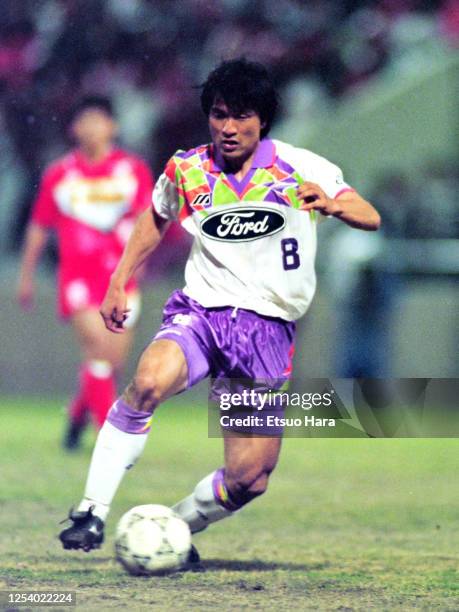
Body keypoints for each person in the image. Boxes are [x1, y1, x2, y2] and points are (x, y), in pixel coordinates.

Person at [59, 60, 380, 557]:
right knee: (146, 381)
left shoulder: (301, 166)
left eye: (241, 116)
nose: (228, 128)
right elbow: (155, 217)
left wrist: (336, 205)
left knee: (249, 478)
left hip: (268, 331)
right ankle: (90, 512)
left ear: (263, 120)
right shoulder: (187, 168)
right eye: (219, 115)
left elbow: (369, 214)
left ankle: (176, 529)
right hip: (202, 314)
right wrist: (120, 279)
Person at [17, 95, 154, 450]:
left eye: (99, 120)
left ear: (113, 126)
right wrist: (27, 275)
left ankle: (77, 416)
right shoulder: (60, 174)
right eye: (84, 120)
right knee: (96, 347)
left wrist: (145, 259)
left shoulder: (132, 170)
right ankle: (111, 436)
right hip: (77, 278)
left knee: (111, 361)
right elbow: (39, 225)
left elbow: (150, 220)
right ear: (74, 128)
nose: (91, 128)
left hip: (121, 280)